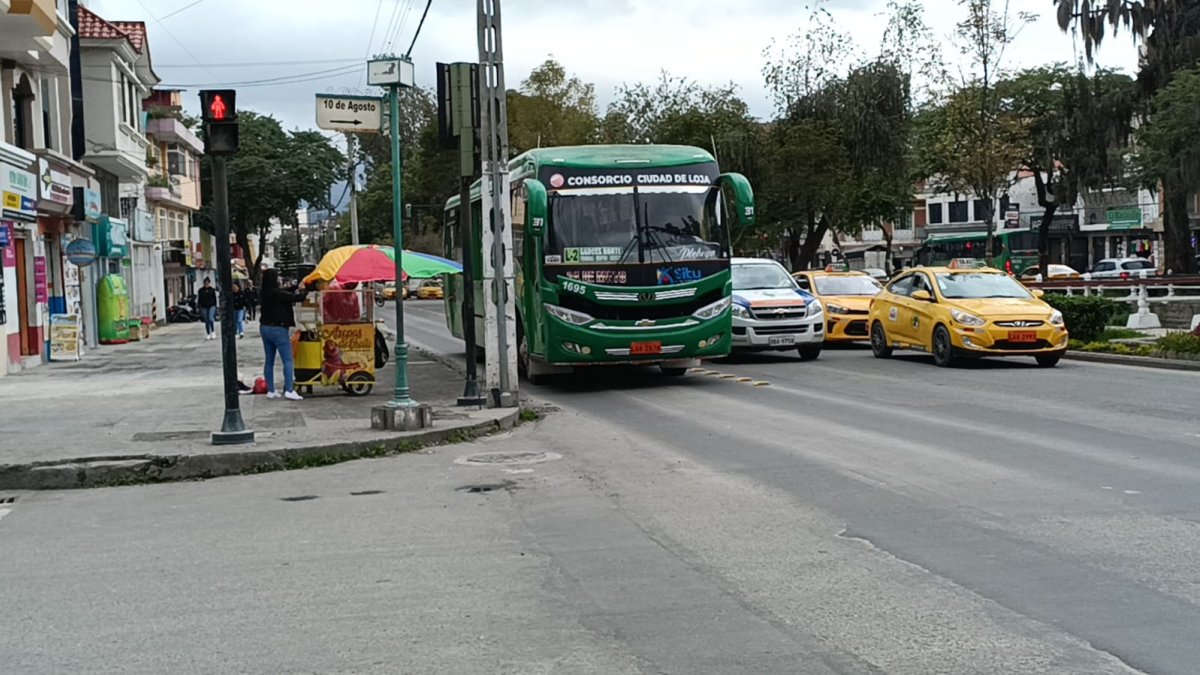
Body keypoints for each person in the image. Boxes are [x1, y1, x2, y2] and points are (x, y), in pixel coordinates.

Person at [259, 268, 308, 400]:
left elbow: (288, 292)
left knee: (269, 360)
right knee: (287, 360)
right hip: (279, 329)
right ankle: (289, 389)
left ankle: (271, 390)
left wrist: (296, 286)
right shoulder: (278, 294)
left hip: (265, 328)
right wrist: (305, 289)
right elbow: (298, 297)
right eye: (278, 277)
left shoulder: (264, 293)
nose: (280, 279)